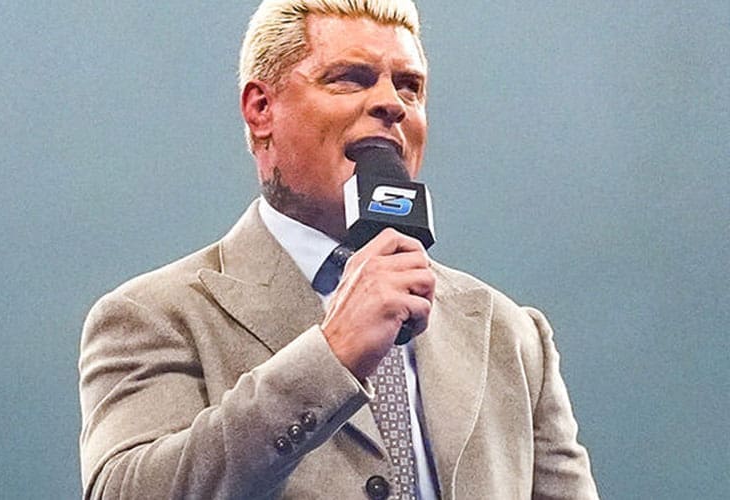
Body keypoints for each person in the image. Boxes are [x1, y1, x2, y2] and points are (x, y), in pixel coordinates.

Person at [78, 0, 600, 498]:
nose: (391, 104)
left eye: (410, 86)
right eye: (350, 78)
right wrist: (330, 356)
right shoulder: (154, 316)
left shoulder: (509, 335)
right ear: (261, 109)